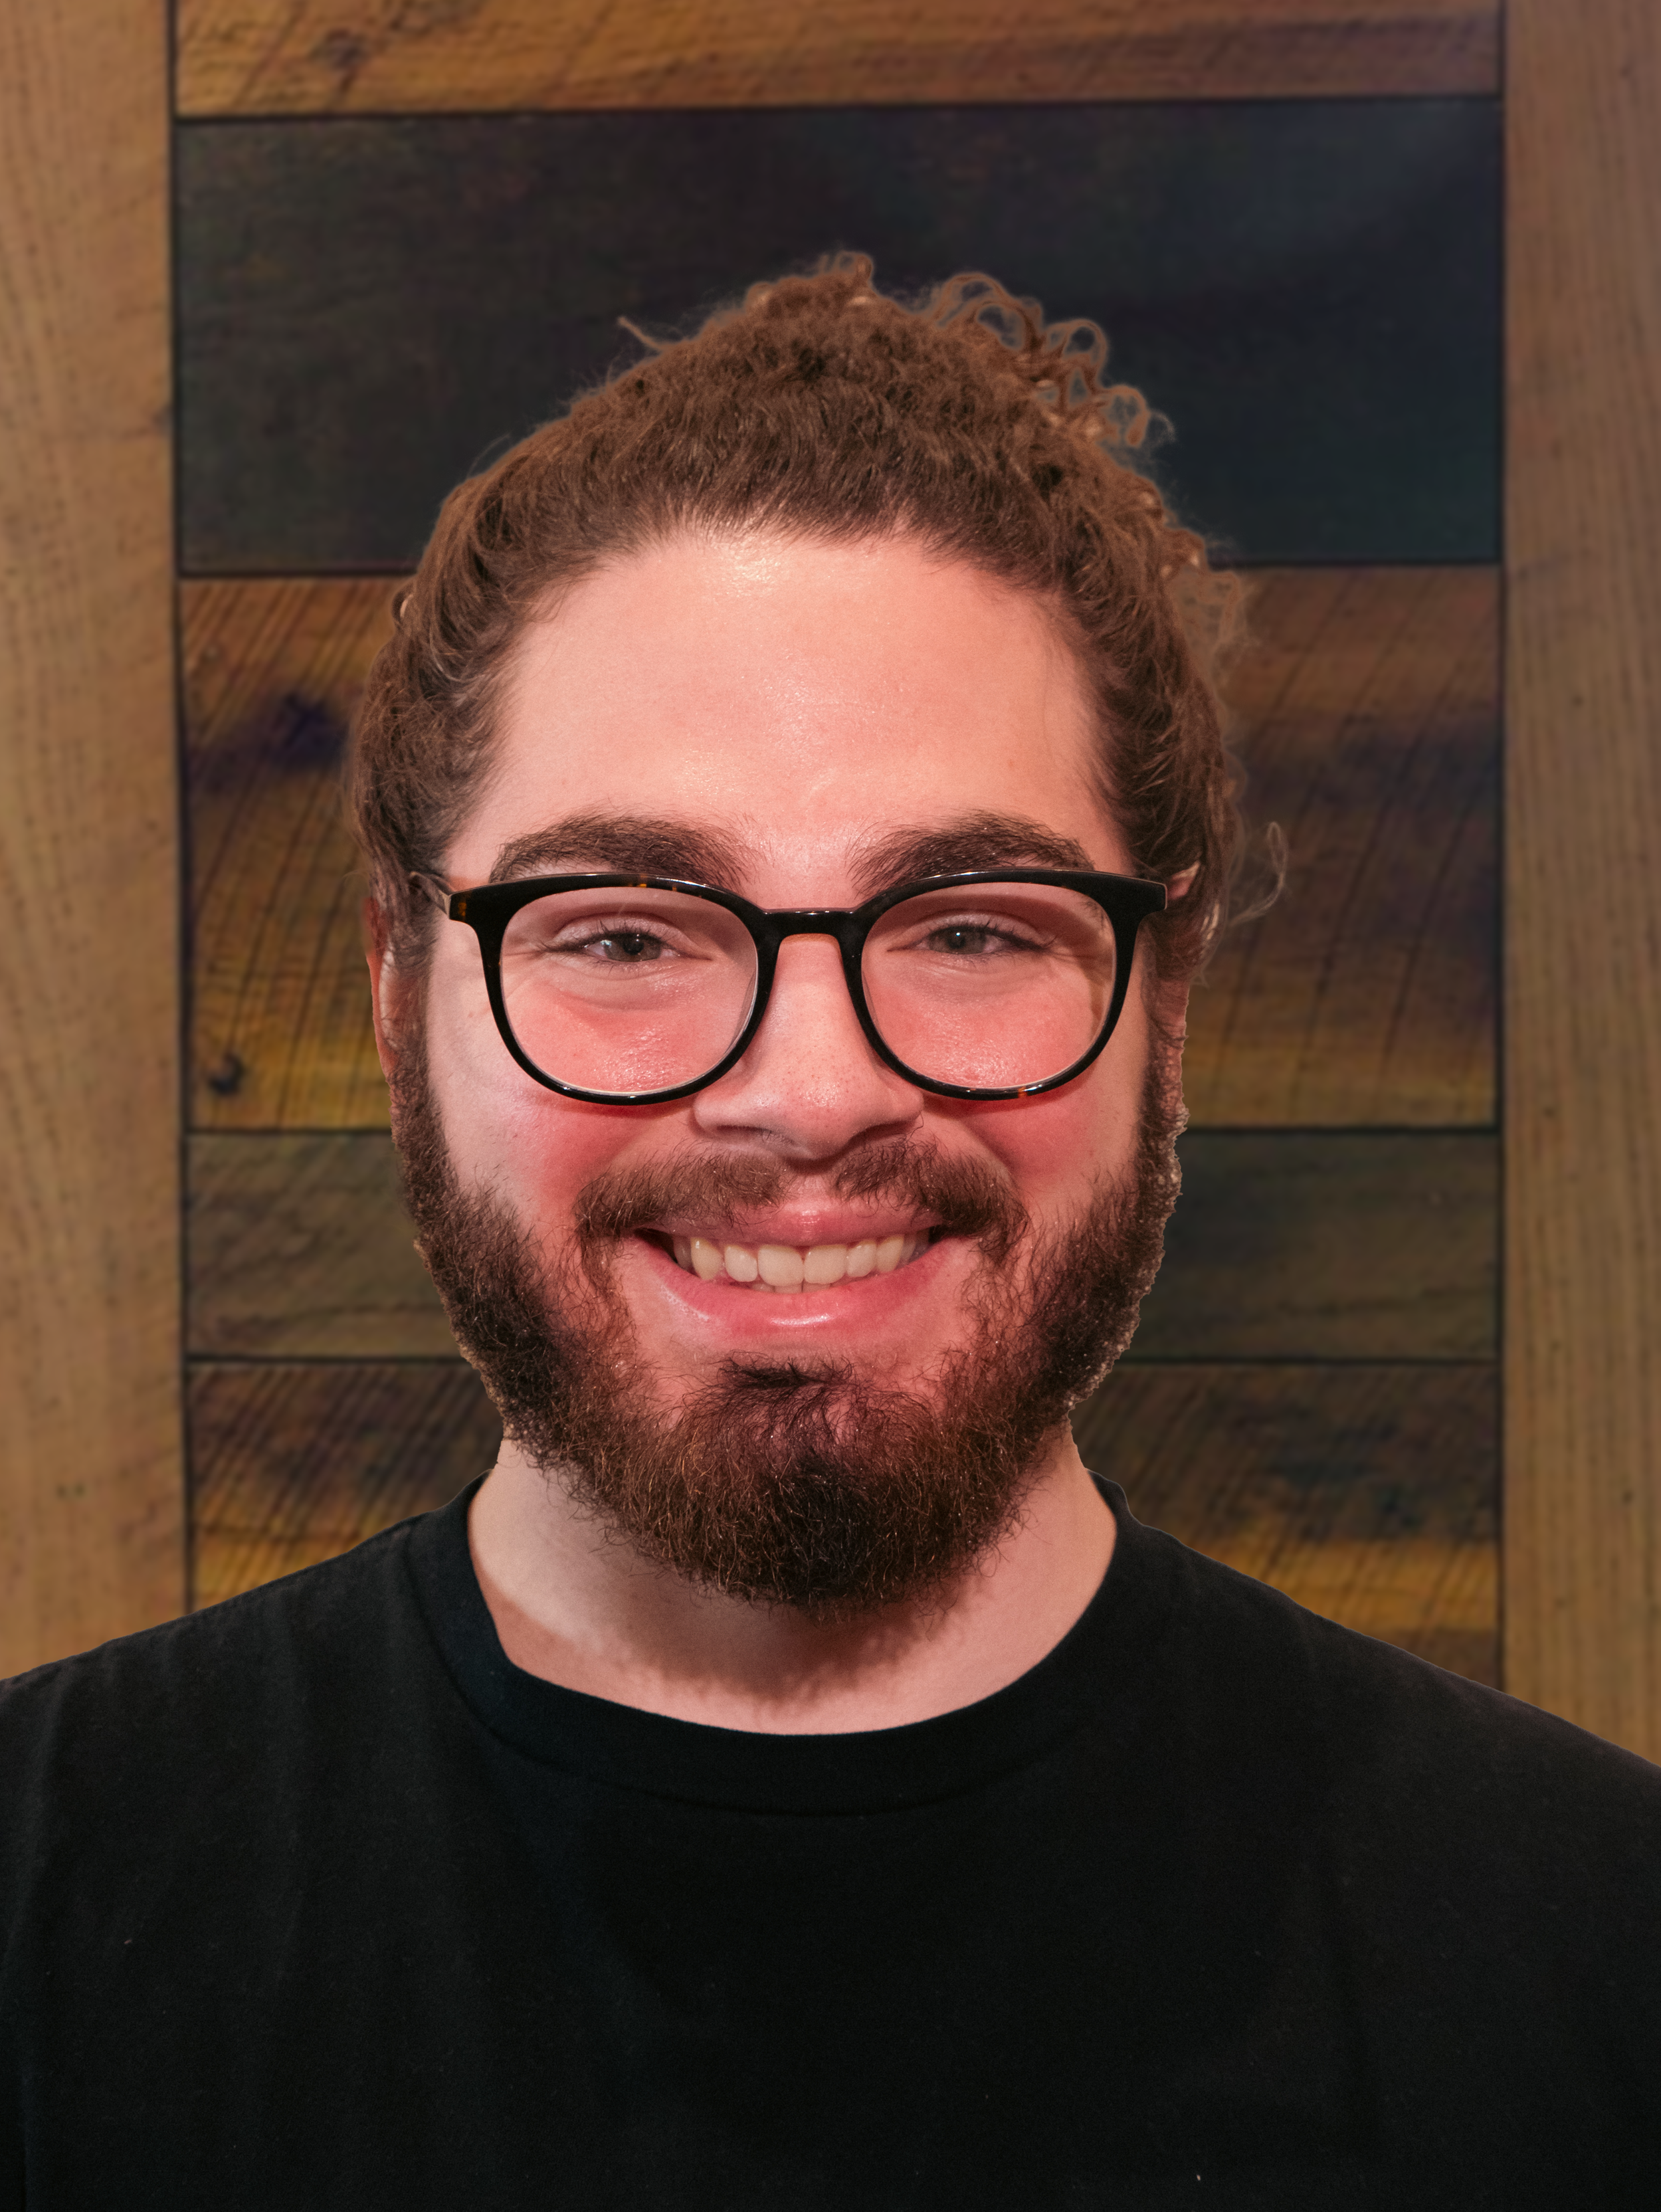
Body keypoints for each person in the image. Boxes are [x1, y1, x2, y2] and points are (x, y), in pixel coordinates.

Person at [3, 259, 1658, 2208]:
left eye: (969, 927)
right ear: (395, 992)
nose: (809, 1091)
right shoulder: (45, 1917)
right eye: (627, 932)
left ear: (1166, 999)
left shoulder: (1594, 1965)